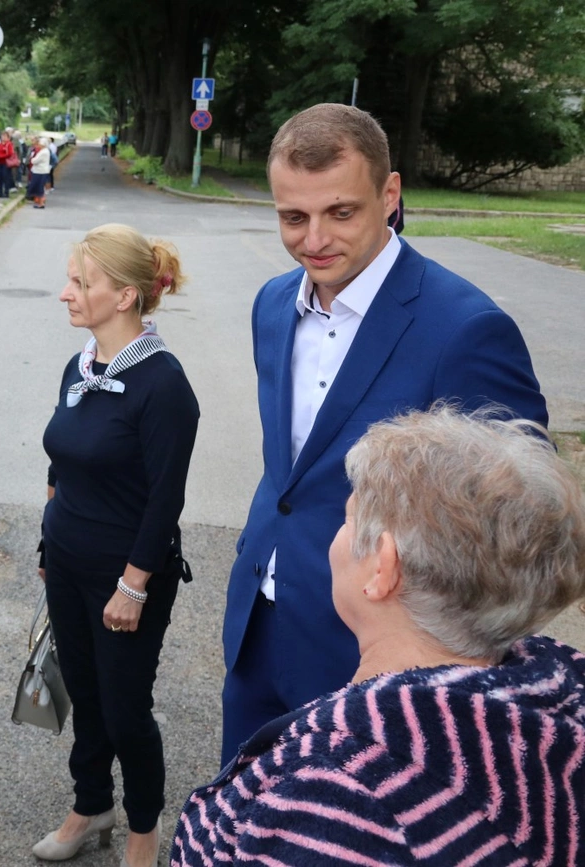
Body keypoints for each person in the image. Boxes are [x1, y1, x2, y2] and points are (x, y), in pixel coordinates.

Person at [221, 103, 547, 766]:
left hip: (380, 651)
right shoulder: (272, 304)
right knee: (246, 804)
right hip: (261, 617)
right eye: (293, 217)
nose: (315, 239)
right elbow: (290, 476)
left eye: (341, 212)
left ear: (390, 194)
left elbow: (520, 529)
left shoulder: (466, 329)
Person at [173, 406, 585, 866]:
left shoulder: (335, 797)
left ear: (382, 568)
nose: (336, 534)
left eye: (347, 519)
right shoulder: (555, 706)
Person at [35, 224, 198, 867]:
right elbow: (61, 467)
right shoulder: (80, 366)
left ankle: (142, 829)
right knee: (84, 691)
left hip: (126, 573)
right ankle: (91, 804)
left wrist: (133, 586)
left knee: (127, 708)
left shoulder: (164, 385)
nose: (66, 294)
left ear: (126, 295)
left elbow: (165, 500)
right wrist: (50, 551)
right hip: (69, 561)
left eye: (81, 282)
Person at [28, 136, 51, 209]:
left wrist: (32, 159)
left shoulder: (43, 152)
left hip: (40, 171)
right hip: (40, 171)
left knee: (39, 187)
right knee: (38, 187)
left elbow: (34, 161)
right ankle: (38, 201)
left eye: (40, 144)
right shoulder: (45, 151)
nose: (39, 145)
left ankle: (41, 203)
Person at [0, 132, 17, 198]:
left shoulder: (9, 144)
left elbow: (10, 154)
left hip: (6, 163)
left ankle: (6, 192)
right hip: (0, 163)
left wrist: (0, 156)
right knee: (0, 177)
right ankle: (0, 192)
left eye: (5, 136)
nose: (3, 138)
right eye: (2, 136)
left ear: (8, 138)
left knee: (6, 177)